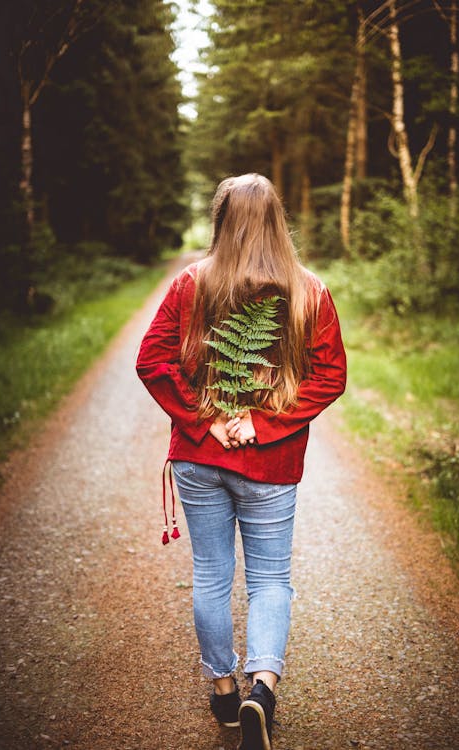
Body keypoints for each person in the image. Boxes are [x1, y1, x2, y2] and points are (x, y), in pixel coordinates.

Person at [136, 173, 346, 750]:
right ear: (277, 221)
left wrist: (203, 421)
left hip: (199, 459)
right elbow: (332, 376)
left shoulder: (191, 283)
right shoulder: (309, 291)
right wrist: (263, 423)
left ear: (221, 220)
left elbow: (151, 361)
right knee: (271, 578)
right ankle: (264, 689)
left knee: (210, 574)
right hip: (271, 464)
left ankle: (226, 692)